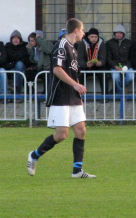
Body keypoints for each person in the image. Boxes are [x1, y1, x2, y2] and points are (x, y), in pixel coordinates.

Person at [27, 18, 96, 179]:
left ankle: (77, 170)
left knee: (81, 130)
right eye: (83, 30)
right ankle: (34, 155)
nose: (84, 33)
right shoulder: (61, 45)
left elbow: (74, 75)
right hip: (60, 96)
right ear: (76, 31)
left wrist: (78, 93)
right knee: (61, 134)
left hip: (74, 97)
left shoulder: (74, 48)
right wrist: (75, 85)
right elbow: (57, 69)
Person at [77, 28, 107, 97]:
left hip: (97, 66)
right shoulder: (82, 43)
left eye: (96, 37)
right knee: (80, 74)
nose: (94, 39)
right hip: (85, 66)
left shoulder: (101, 43)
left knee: (103, 74)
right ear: (88, 37)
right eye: (92, 37)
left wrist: (100, 62)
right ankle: (80, 96)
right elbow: (79, 59)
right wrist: (86, 64)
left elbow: (103, 58)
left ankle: (105, 96)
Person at [106, 24, 134, 95]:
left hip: (127, 66)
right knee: (116, 77)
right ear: (114, 34)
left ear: (123, 34)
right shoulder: (109, 43)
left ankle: (116, 89)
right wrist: (115, 66)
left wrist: (126, 66)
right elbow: (108, 58)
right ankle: (121, 93)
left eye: (120, 33)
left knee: (131, 77)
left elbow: (132, 57)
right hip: (114, 66)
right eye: (117, 33)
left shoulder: (129, 43)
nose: (118, 34)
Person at [3, 30, 30, 94]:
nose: (16, 40)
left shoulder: (25, 46)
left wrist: (16, 60)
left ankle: (15, 89)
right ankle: (16, 93)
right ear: (11, 39)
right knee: (18, 70)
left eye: (17, 38)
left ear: (20, 39)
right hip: (10, 69)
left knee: (19, 65)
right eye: (14, 38)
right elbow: (5, 60)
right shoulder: (7, 47)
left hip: (22, 68)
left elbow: (27, 59)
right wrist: (18, 59)